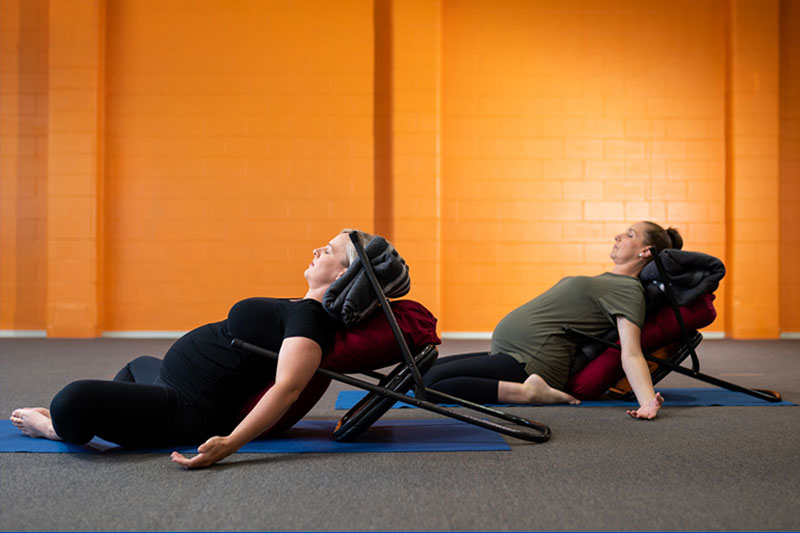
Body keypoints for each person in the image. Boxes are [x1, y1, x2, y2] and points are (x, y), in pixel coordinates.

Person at [10, 229, 373, 469]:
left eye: (327, 251)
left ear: (342, 275)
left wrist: (230, 444)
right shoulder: (302, 308)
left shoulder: (310, 320)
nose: (315, 250)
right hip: (169, 384)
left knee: (70, 400)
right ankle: (117, 418)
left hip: (186, 408)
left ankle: (57, 429)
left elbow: (288, 387)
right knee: (138, 364)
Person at [424, 221, 682, 420]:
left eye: (629, 235)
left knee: (428, 385)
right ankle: (523, 388)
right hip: (515, 353)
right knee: (420, 372)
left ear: (646, 251)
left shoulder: (628, 289)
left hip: (534, 361)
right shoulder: (609, 281)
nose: (618, 236)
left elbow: (631, 351)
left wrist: (647, 402)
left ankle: (529, 393)